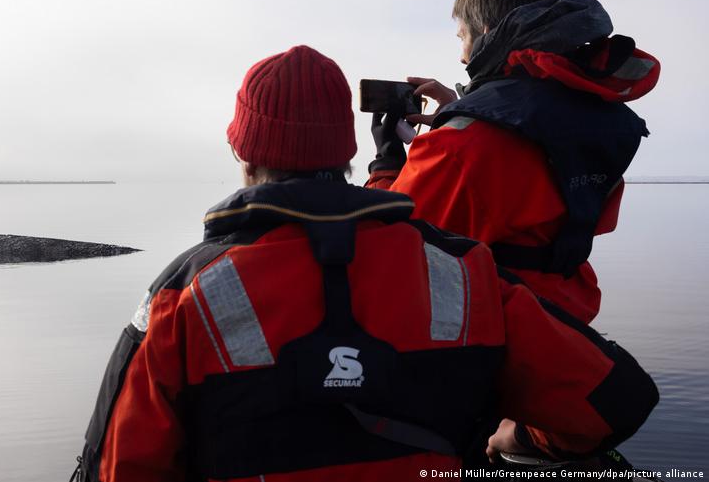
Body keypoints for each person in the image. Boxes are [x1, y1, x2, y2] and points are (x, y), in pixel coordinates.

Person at [70, 45, 658, 482]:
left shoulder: (182, 296)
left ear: (243, 152)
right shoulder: (467, 276)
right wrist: (519, 438)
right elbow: (616, 401)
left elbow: (119, 467)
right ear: (346, 155)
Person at [366, 0, 660, 325]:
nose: (460, 54)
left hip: (493, 333)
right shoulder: (598, 116)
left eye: (462, 36)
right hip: (568, 324)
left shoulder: (463, 143)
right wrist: (464, 110)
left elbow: (388, 243)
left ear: (487, 31)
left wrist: (386, 163)